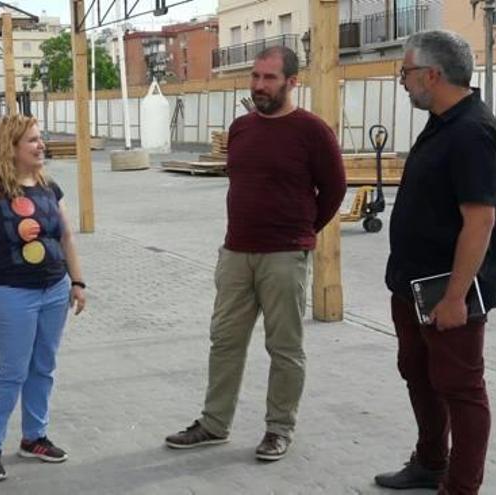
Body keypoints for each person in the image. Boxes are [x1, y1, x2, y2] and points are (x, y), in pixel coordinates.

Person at [164, 46, 346, 461]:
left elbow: (334, 191)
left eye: (269, 78)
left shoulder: (313, 131)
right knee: (224, 341)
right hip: (235, 254)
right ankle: (214, 424)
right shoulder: (241, 127)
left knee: (284, 348)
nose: (259, 85)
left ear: (291, 82)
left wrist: (302, 233)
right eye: (256, 77)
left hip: (284, 256)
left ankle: (279, 429)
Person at [375, 31, 495, 495]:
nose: (402, 82)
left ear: (432, 74)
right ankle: (430, 461)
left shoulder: (473, 131)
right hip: (412, 286)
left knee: (461, 389)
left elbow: (481, 220)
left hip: (447, 292)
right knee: (419, 372)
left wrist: (454, 298)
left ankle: (461, 487)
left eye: (405, 72)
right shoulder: (443, 120)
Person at [0, 114, 86, 482]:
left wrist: (77, 282)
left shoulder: (49, 186)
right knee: (12, 371)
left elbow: (66, 237)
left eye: (40, 139)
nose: (41, 145)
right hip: (10, 294)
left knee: (43, 366)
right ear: (11, 147)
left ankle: (34, 437)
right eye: (32, 140)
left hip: (53, 291)